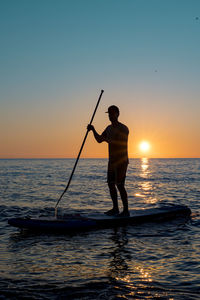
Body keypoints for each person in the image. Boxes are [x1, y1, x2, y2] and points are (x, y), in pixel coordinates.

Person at [87, 105, 129, 217]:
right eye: (109, 114)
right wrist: (93, 130)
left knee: (120, 185)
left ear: (117, 114)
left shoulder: (123, 128)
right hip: (112, 161)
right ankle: (115, 209)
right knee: (111, 184)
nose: (110, 116)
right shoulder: (108, 128)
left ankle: (126, 211)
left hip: (121, 161)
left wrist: (107, 140)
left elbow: (120, 143)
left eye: (112, 113)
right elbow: (99, 140)